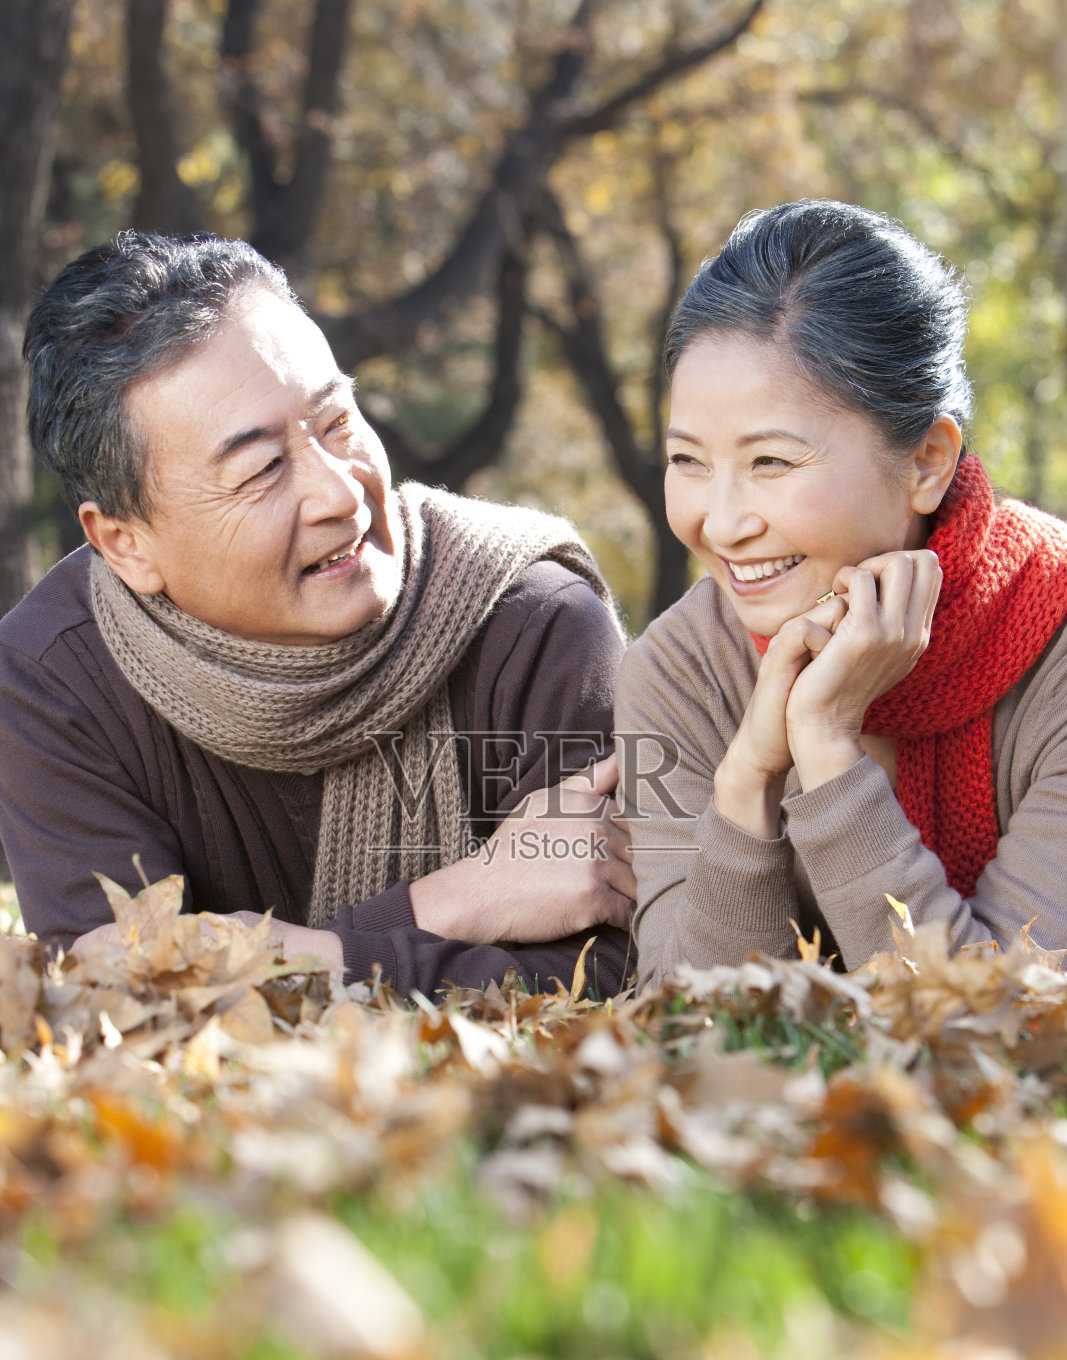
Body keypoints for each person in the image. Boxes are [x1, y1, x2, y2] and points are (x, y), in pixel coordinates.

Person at [1, 231, 636, 996]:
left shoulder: (530, 621)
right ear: (126, 544)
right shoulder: (53, 677)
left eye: (337, 422)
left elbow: (609, 975)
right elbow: (123, 991)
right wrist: (456, 901)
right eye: (261, 468)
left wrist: (270, 956)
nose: (340, 493)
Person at [615, 199, 1067, 985]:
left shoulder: (1051, 640)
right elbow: (685, 1025)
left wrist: (825, 748)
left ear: (926, 460)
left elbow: (1004, 1023)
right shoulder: (676, 675)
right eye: (687, 460)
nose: (719, 524)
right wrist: (747, 782)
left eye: (770, 463)